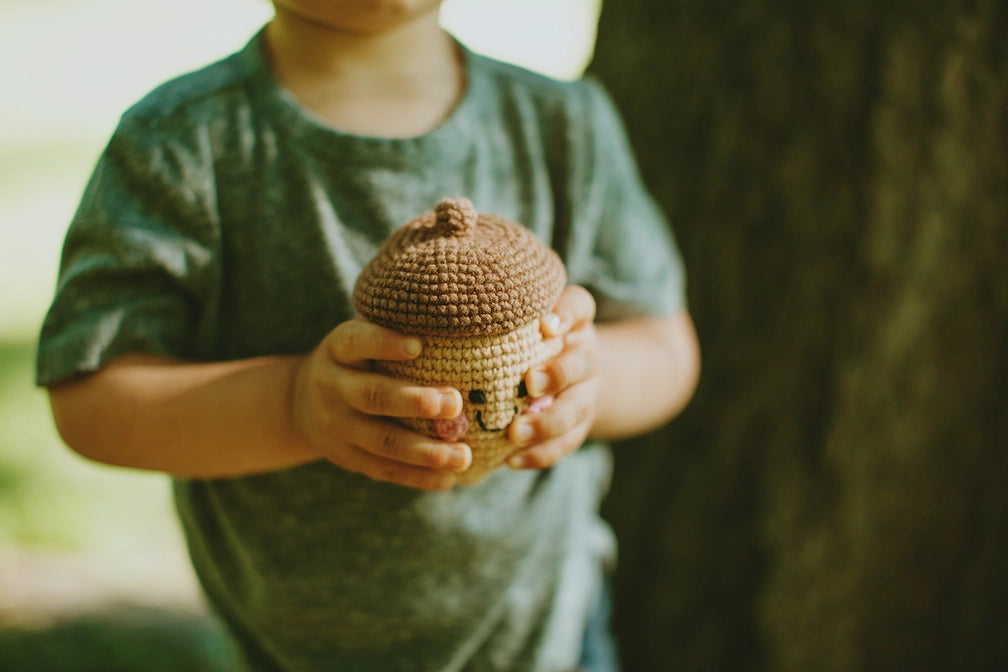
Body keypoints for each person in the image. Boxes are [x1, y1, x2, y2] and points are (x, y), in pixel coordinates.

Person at [36, 1, 701, 670]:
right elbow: (91, 393)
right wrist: (293, 406)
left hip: (544, 633)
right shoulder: (179, 139)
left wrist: (589, 384)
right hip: (287, 649)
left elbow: (666, 345)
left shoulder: (562, 126)